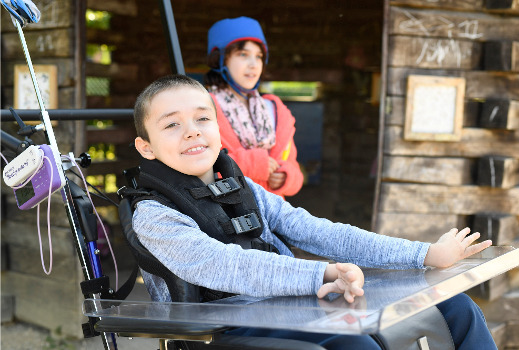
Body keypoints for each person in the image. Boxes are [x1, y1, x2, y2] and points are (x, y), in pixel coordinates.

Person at [132, 74, 497, 350]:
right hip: (225, 325)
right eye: (172, 124)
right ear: (146, 148)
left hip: (293, 306)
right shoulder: (153, 214)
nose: (192, 132)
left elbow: (319, 231)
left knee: (456, 309)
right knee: (355, 343)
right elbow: (222, 264)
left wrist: (426, 254)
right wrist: (321, 274)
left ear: (219, 128)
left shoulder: (245, 189)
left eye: (202, 119)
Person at [204, 16, 303, 197]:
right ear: (220, 59)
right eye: (243, 55)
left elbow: (294, 167)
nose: (253, 64)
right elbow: (198, 168)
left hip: (273, 218)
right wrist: (254, 164)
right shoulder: (203, 108)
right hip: (228, 217)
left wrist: (286, 177)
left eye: (258, 56)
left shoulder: (275, 110)